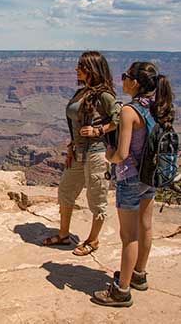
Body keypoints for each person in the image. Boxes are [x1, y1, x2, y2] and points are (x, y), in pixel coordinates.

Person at [93, 62, 175, 307]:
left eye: (126, 76)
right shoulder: (158, 106)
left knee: (129, 236)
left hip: (129, 178)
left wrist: (108, 154)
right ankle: (139, 274)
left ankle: (121, 291)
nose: (123, 80)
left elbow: (121, 153)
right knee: (146, 228)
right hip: (150, 176)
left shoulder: (130, 111)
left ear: (135, 83)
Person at [43, 51, 120, 255]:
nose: (76, 69)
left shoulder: (105, 95)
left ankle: (93, 240)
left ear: (91, 70)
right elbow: (75, 123)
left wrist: (99, 130)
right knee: (65, 191)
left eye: (80, 66)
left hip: (97, 152)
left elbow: (119, 118)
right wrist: (71, 147)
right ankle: (63, 235)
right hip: (78, 152)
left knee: (96, 197)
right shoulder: (82, 91)